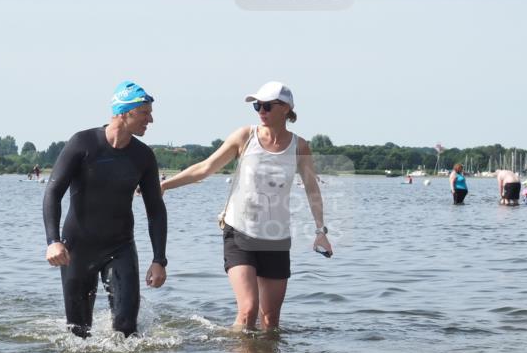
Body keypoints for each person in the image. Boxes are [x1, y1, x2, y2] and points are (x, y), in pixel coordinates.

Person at [161, 81, 332, 331]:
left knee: (270, 320)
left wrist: (321, 232)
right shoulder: (245, 136)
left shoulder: (300, 146)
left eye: (266, 105)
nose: (261, 110)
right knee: (248, 310)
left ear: (285, 109)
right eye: (257, 106)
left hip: (276, 238)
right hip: (239, 232)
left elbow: (312, 190)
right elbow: (205, 168)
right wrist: (164, 186)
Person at [43, 81, 167, 339]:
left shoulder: (143, 156)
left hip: (120, 247)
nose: (151, 119)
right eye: (145, 112)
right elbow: (53, 193)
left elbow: (155, 209)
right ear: (124, 112)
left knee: (126, 331)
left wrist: (159, 259)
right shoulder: (83, 143)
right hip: (77, 248)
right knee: (78, 334)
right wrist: (53, 241)